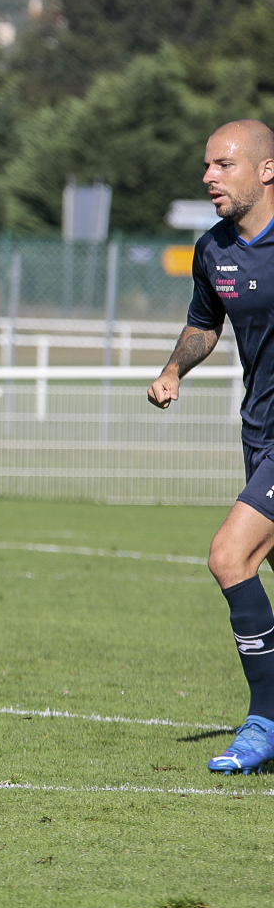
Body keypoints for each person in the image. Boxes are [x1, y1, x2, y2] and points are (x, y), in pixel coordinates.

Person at [148, 119, 274, 774]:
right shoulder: (214, 248)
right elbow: (204, 322)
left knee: (230, 556)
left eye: (223, 164)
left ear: (265, 170)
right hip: (259, 433)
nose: (208, 176)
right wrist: (175, 369)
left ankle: (263, 722)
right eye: (207, 165)